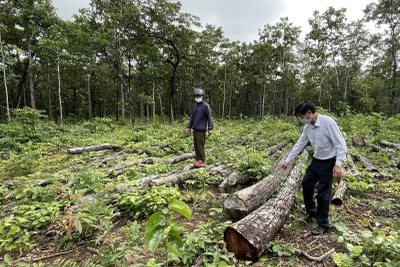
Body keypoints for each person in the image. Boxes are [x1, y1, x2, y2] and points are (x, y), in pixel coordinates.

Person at [280, 101, 347, 235]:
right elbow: (300, 144)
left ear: (309, 113)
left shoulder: (328, 123)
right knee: (306, 184)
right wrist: (288, 160)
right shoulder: (308, 127)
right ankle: (311, 211)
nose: (301, 120)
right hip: (317, 161)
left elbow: (341, 144)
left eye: (301, 117)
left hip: (329, 162)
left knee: (323, 193)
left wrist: (338, 164)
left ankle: (323, 224)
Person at [186, 88, 214, 168]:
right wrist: (189, 127)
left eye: (199, 96)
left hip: (201, 130)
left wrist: (210, 128)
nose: (198, 97)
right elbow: (192, 118)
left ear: (202, 96)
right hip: (195, 129)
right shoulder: (194, 106)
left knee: (200, 145)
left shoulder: (205, 106)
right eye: (196, 96)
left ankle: (203, 160)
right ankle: (199, 160)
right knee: (196, 145)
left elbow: (209, 117)